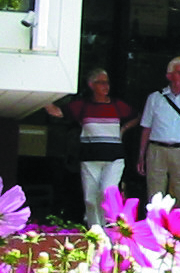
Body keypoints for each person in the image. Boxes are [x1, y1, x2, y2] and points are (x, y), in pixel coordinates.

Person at [43, 68, 138, 231]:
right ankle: (95, 231)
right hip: (89, 158)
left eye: (107, 82)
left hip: (114, 158)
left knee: (107, 192)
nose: (105, 86)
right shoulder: (82, 106)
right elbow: (55, 111)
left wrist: (123, 130)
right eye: (101, 82)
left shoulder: (117, 105)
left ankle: (110, 230)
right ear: (91, 85)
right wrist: (42, 95)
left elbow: (137, 116)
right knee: (90, 199)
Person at [138, 58, 180, 210]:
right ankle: (156, 229)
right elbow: (146, 128)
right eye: (179, 73)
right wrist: (141, 155)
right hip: (157, 149)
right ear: (169, 76)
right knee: (155, 196)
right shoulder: (155, 98)